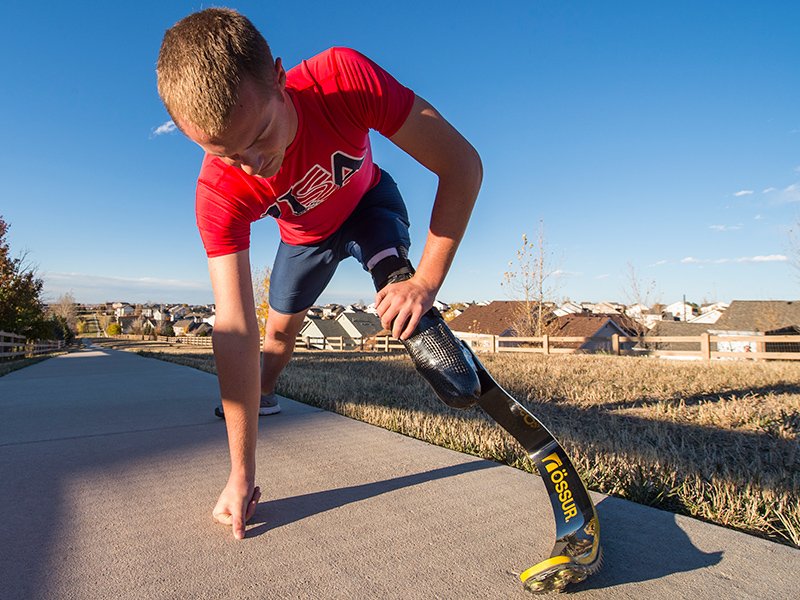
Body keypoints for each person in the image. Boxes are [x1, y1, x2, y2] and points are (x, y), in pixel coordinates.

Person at [156, 8, 482, 540]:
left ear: (281, 77)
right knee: (275, 338)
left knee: (392, 270)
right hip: (303, 243)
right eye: (228, 154)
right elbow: (233, 327)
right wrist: (242, 473)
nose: (254, 164)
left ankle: (414, 310)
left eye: (260, 135)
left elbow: (462, 165)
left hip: (368, 204)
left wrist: (424, 282)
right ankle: (266, 394)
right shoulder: (218, 193)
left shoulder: (341, 79)